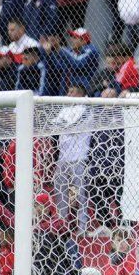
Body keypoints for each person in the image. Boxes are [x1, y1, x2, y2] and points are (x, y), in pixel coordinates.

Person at [52, 85, 91, 234]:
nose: (68, 93)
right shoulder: (65, 109)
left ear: (81, 93)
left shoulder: (87, 107)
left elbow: (74, 126)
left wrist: (63, 125)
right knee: (60, 191)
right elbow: (54, 124)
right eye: (67, 91)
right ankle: (62, 224)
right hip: (63, 158)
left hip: (79, 157)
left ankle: (82, 227)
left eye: (71, 91)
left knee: (79, 193)